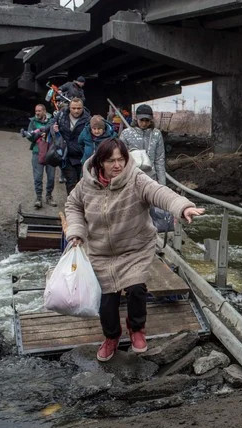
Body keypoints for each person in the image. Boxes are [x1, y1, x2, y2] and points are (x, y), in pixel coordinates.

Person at [65, 138, 204, 362]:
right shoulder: (86, 184)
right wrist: (76, 232)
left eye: (121, 159)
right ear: (100, 162)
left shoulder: (136, 179)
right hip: (100, 252)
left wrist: (183, 207)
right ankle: (111, 337)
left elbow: (160, 193)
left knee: (136, 288)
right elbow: (72, 206)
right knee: (107, 300)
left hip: (135, 248)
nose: (117, 165)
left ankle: (137, 329)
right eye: (111, 161)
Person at [119, 104, 167, 185]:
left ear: (151, 120)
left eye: (147, 120)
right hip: (131, 179)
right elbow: (120, 158)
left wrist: (162, 184)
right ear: (136, 118)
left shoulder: (156, 134)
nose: (144, 123)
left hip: (151, 179)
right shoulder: (126, 134)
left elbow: (159, 160)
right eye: (141, 120)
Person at [51, 97, 90, 194]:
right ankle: (71, 207)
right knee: (71, 182)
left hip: (81, 156)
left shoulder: (88, 119)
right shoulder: (61, 116)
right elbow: (51, 124)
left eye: (79, 108)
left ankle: (81, 206)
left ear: (83, 108)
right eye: (74, 108)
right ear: (69, 107)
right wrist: (52, 129)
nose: (76, 111)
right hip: (66, 156)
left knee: (82, 183)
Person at [23, 104, 56, 208]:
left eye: (39, 111)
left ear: (44, 111)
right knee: (38, 177)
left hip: (50, 152)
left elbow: (57, 134)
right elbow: (29, 137)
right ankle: (38, 198)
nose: (37, 113)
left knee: (51, 177)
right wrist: (36, 135)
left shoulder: (53, 120)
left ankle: (49, 196)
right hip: (37, 151)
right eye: (36, 111)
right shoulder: (33, 122)